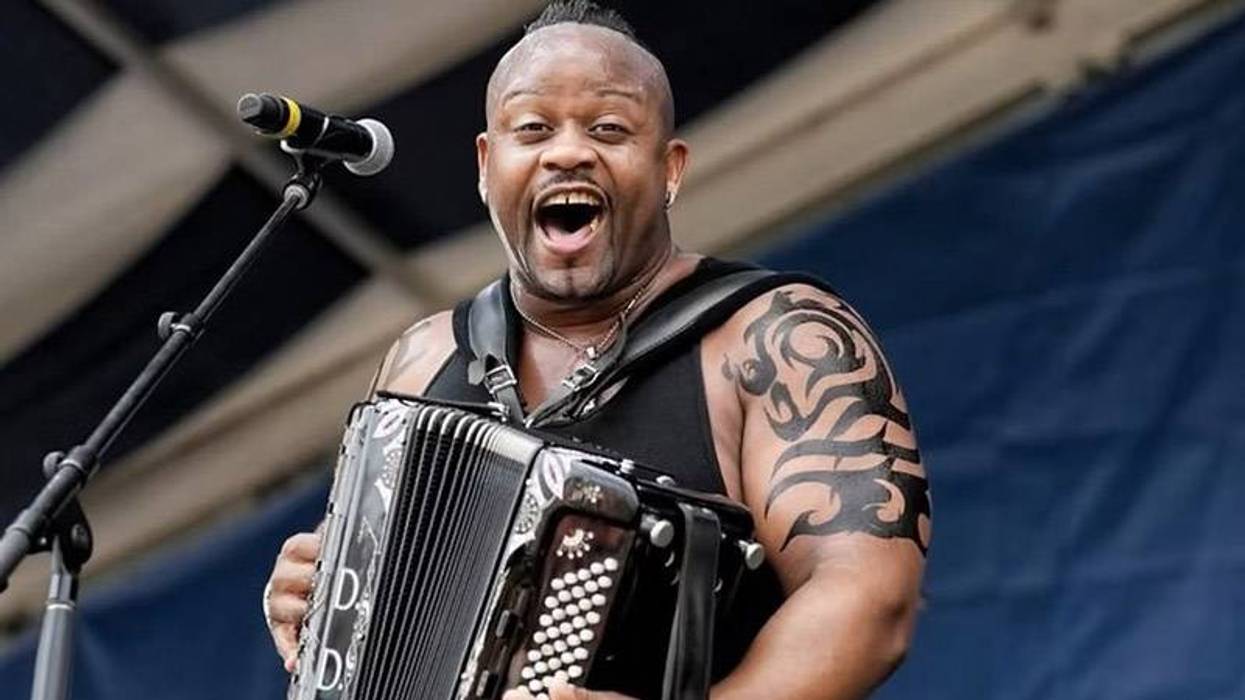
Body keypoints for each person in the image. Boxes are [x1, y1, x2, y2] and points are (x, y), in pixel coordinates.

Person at [263, 2, 931, 698]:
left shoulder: (774, 335)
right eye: (533, 129)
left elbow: (867, 600)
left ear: (668, 168)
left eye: (609, 129)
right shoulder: (423, 355)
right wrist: (305, 590)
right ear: (487, 167)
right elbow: (365, 593)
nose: (568, 152)